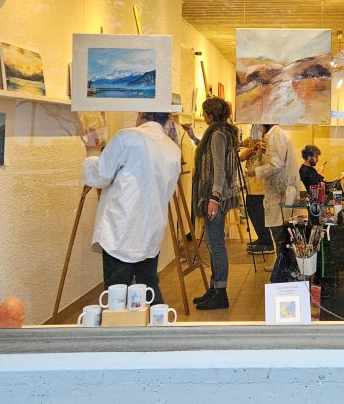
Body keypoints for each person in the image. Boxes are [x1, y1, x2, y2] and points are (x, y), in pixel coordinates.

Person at [83, 111, 181, 306]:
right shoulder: (173, 149)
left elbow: (101, 175)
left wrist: (92, 150)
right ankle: (156, 322)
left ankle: (123, 326)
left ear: (141, 114)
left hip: (121, 231)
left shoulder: (127, 137)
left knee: (117, 295)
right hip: (151, 230)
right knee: (148, 288)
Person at [183, 97, 242, 310]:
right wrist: (192, 136)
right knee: (212, 242)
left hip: (216, 197)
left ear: (209, 116)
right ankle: (214, 287)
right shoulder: (221, 132)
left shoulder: (217, 134)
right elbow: (209, 153)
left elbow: (218, 168)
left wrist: (214, 198)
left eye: (204, 113)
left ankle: (220, 292)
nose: (203, 115)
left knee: (216, 245)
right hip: (218, 196)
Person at [246, 124, 299, 250]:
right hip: (277, 192)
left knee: (281, 233)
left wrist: (255, 171)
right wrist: (260, 157)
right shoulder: (273, 135)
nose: (257, 128)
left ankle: (281, 260)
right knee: (279, 231)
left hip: (281, 192)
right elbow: (273, 162)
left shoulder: (277, 135)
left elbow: (276, 165)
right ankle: (280, 259)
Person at [240, 125, 272, 254]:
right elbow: (241, 155)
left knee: (258, 213)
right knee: (252, 211)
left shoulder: (267, 140)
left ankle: (267, 243)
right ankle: (262, 238)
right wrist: (250, 149)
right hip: (251, 184)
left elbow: (255, 151)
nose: (253, 131)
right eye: (253, 128)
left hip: (260, 186)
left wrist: (251, 150)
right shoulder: (251, 140)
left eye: (257, 128)